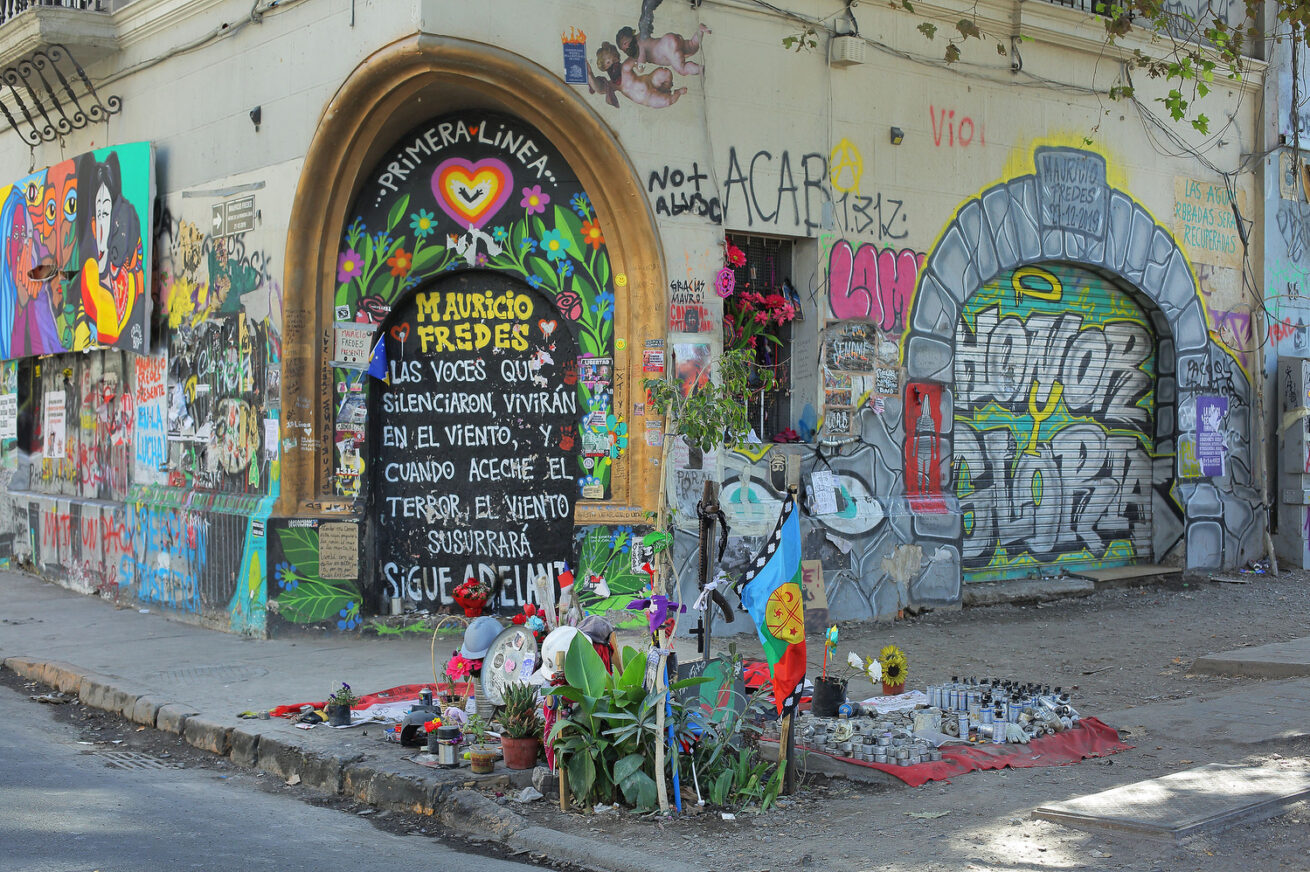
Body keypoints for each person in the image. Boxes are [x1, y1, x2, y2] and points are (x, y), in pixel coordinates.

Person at [592, 42, 686, 109]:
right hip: (647, 97)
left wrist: (639, 65)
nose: (613, 63)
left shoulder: (625, 66)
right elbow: (600, 88)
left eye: (614, 59)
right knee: (667, 101)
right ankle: (678, 92)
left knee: (665, 72)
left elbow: (639, 62)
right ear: (605, 67)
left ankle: (665, 89)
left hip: (650, 81)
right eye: (608, 62)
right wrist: (589, 75)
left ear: (617, 57)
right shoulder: (613, 84)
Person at [616, 21, 710, 76]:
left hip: (668, 50)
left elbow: (641, 68)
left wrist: (636, 65)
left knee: (682, 69)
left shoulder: (640, 49)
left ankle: (700, 69)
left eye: (624, 48)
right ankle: (700, 30)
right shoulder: (642, 35)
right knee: (692, 46)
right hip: (669, 38)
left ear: (627, 44)